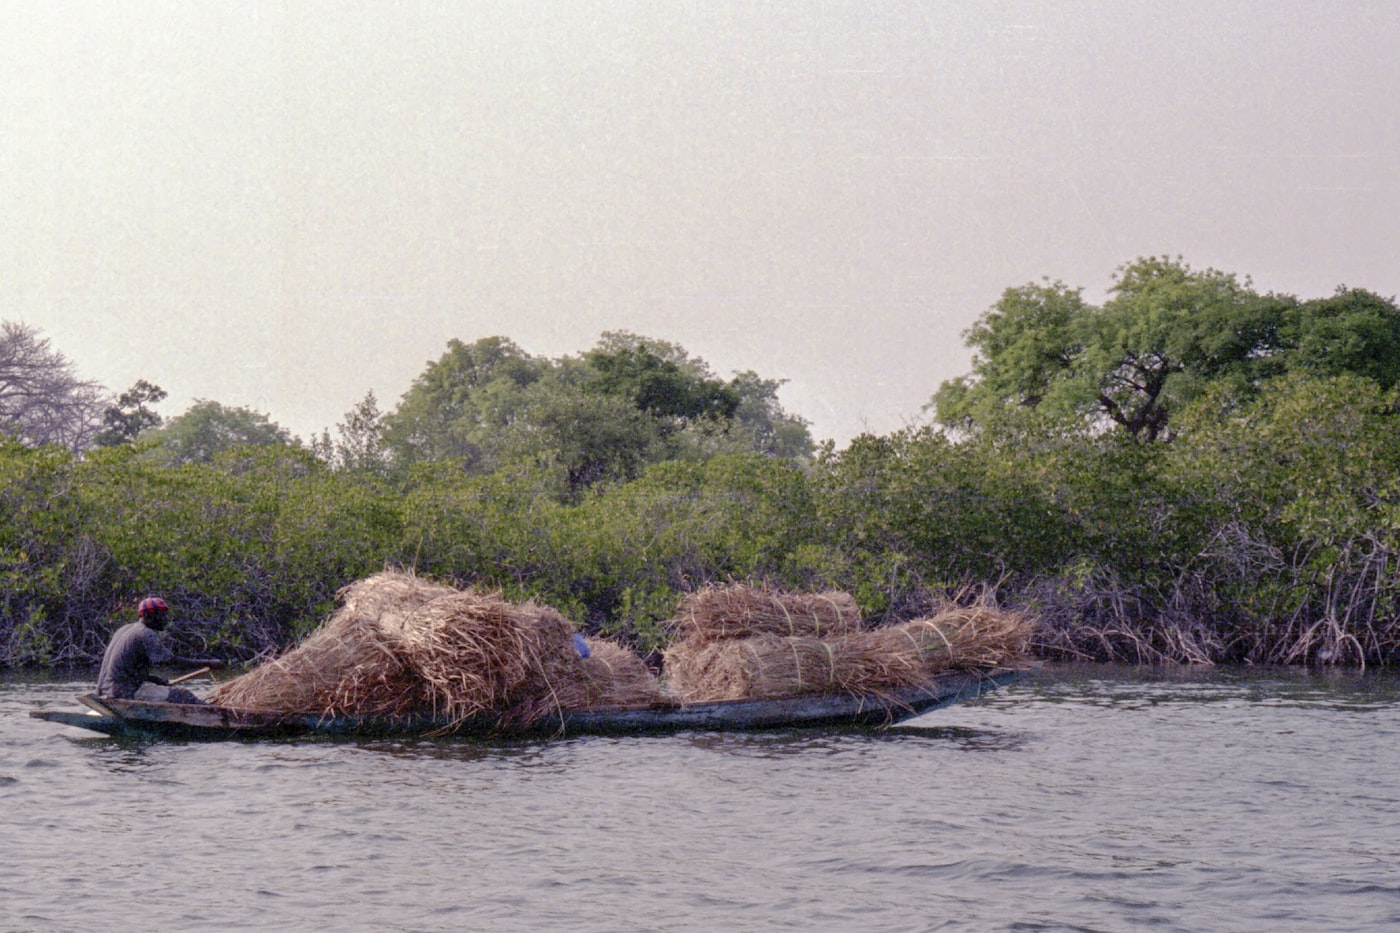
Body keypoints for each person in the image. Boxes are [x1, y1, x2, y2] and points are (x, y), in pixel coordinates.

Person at [96, 596, 223, 704]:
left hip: (106, 689)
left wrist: (152, 679)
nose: (166, 620)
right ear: (149, 617)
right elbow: (170, 661)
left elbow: (123, 669)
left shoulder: (126, 629)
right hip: (124, 691)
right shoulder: (145, 633)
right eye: (162, 616)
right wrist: (209, 663)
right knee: (183, 695)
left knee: (171, 693)